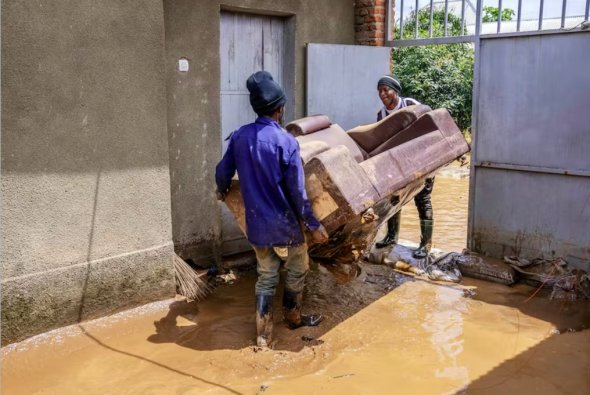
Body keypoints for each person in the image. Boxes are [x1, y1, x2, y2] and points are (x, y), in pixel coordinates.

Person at [215, 70, 329, 348]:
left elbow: (222, 172)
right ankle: (292, 317)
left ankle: (263, 335)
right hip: (285, 225)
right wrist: (314, 226)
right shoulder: (287, 142)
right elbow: (297, 193)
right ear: (280, 109)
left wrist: (221, 190)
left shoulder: (240, 136)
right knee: (298, 268)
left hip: (256, 225)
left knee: (266, 276)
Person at [374, 75, 434, 259]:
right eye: (380, 91)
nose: (382, 94)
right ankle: (392, 237)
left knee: (422, 199)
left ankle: (425, 244)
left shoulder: (411, 104)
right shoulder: (381, 115)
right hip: (397, 165)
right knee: (394, 199)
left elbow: (430, 123)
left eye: (386, 89)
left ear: (395, 91)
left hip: (422, 161)